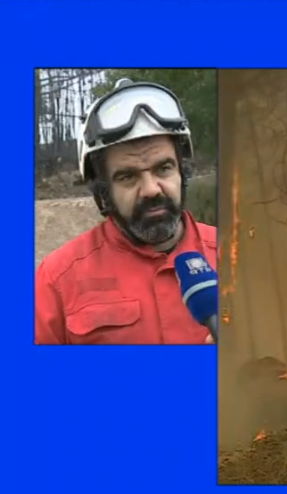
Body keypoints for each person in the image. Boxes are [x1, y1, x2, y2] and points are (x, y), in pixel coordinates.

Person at [34, 78, 217, 345]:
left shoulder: (240, 257)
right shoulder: (57, 280)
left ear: (182, 172)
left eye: (163, 168)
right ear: (104, 192)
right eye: (128, 177)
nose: (151, 189)